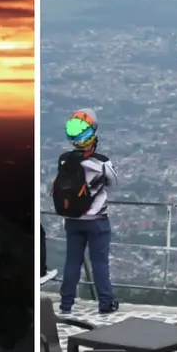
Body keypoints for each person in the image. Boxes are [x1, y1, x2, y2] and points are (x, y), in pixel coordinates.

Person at [51, 109, 119, 315]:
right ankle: (106, 303)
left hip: (72, 219)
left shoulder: (64, 159)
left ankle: (66, 303)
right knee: (100, 263)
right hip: (97, 220)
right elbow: (113, 182)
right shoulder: (101, 161)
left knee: (72, 261)